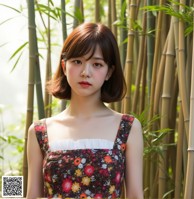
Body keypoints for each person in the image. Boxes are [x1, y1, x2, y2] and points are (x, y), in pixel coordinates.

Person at [26, 22, 144, 199]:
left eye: (97, 64)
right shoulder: (39, 131)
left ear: (109, 72)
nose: (85, 72)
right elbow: (31, 196)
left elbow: (135, 195)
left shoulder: (128, 127)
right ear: (65, 66)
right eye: (77, 62)